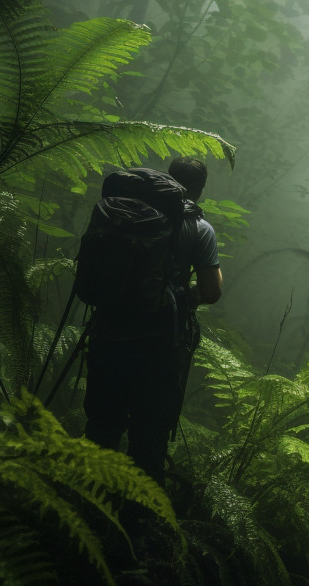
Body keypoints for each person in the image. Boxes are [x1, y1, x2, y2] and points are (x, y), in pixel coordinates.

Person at [82, 157, 222, 485]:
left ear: (168, 178)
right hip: (159, 346)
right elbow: (211, 291)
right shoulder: (199, 228)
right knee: (149, 438)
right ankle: (138, 520)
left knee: (102, 427)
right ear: (199, 189)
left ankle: (86, 504)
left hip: (108, 332)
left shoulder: (122, 213)